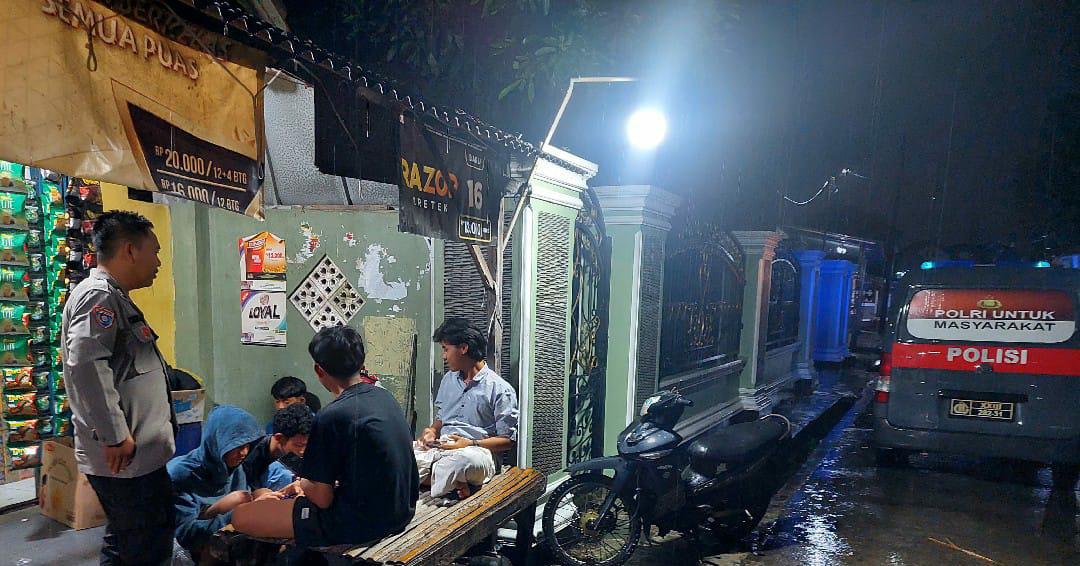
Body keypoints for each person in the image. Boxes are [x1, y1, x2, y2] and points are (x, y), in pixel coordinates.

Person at [232, 326, 418, 547]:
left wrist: (304, 485)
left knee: (240, 516)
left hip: (361, 524)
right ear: (361, 362)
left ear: (319, 370)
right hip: (401, 512)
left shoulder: (331, 416)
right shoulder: (385, 398)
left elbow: (322, 499)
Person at [62, 211, 175, 566]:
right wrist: (114, 435)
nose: (158, 262)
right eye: (154, 252)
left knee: (127, 543)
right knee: (145, 548)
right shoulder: (98, 298)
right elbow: (85, 364)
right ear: (129, 250)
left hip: (135, 459)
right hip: (125, 460)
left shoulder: (114, 297)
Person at [416, 318, 519, 500]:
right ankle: (454, 483)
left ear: (463, 348)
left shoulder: (500, 389)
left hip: (478, 452)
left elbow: (507, 441)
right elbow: (442, 418)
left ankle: (433, 478)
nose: (444, 356)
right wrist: (431, 431)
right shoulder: (448, 380)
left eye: (446, 349)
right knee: (399, 453)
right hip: (443, 447)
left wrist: (470, 443)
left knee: (465, 462)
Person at [167, 405, 271, 559]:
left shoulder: (235, 468)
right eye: (237, 446)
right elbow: (186, 534)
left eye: (247, 445)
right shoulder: (181, 474)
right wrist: (238, 514)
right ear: (217, 442)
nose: (244, 453)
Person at [243, 403, 313, 491]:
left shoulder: (295, 454)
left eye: (307, 445)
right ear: (279, 438)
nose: (303, 451)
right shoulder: (249, 457)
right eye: (298, 445)